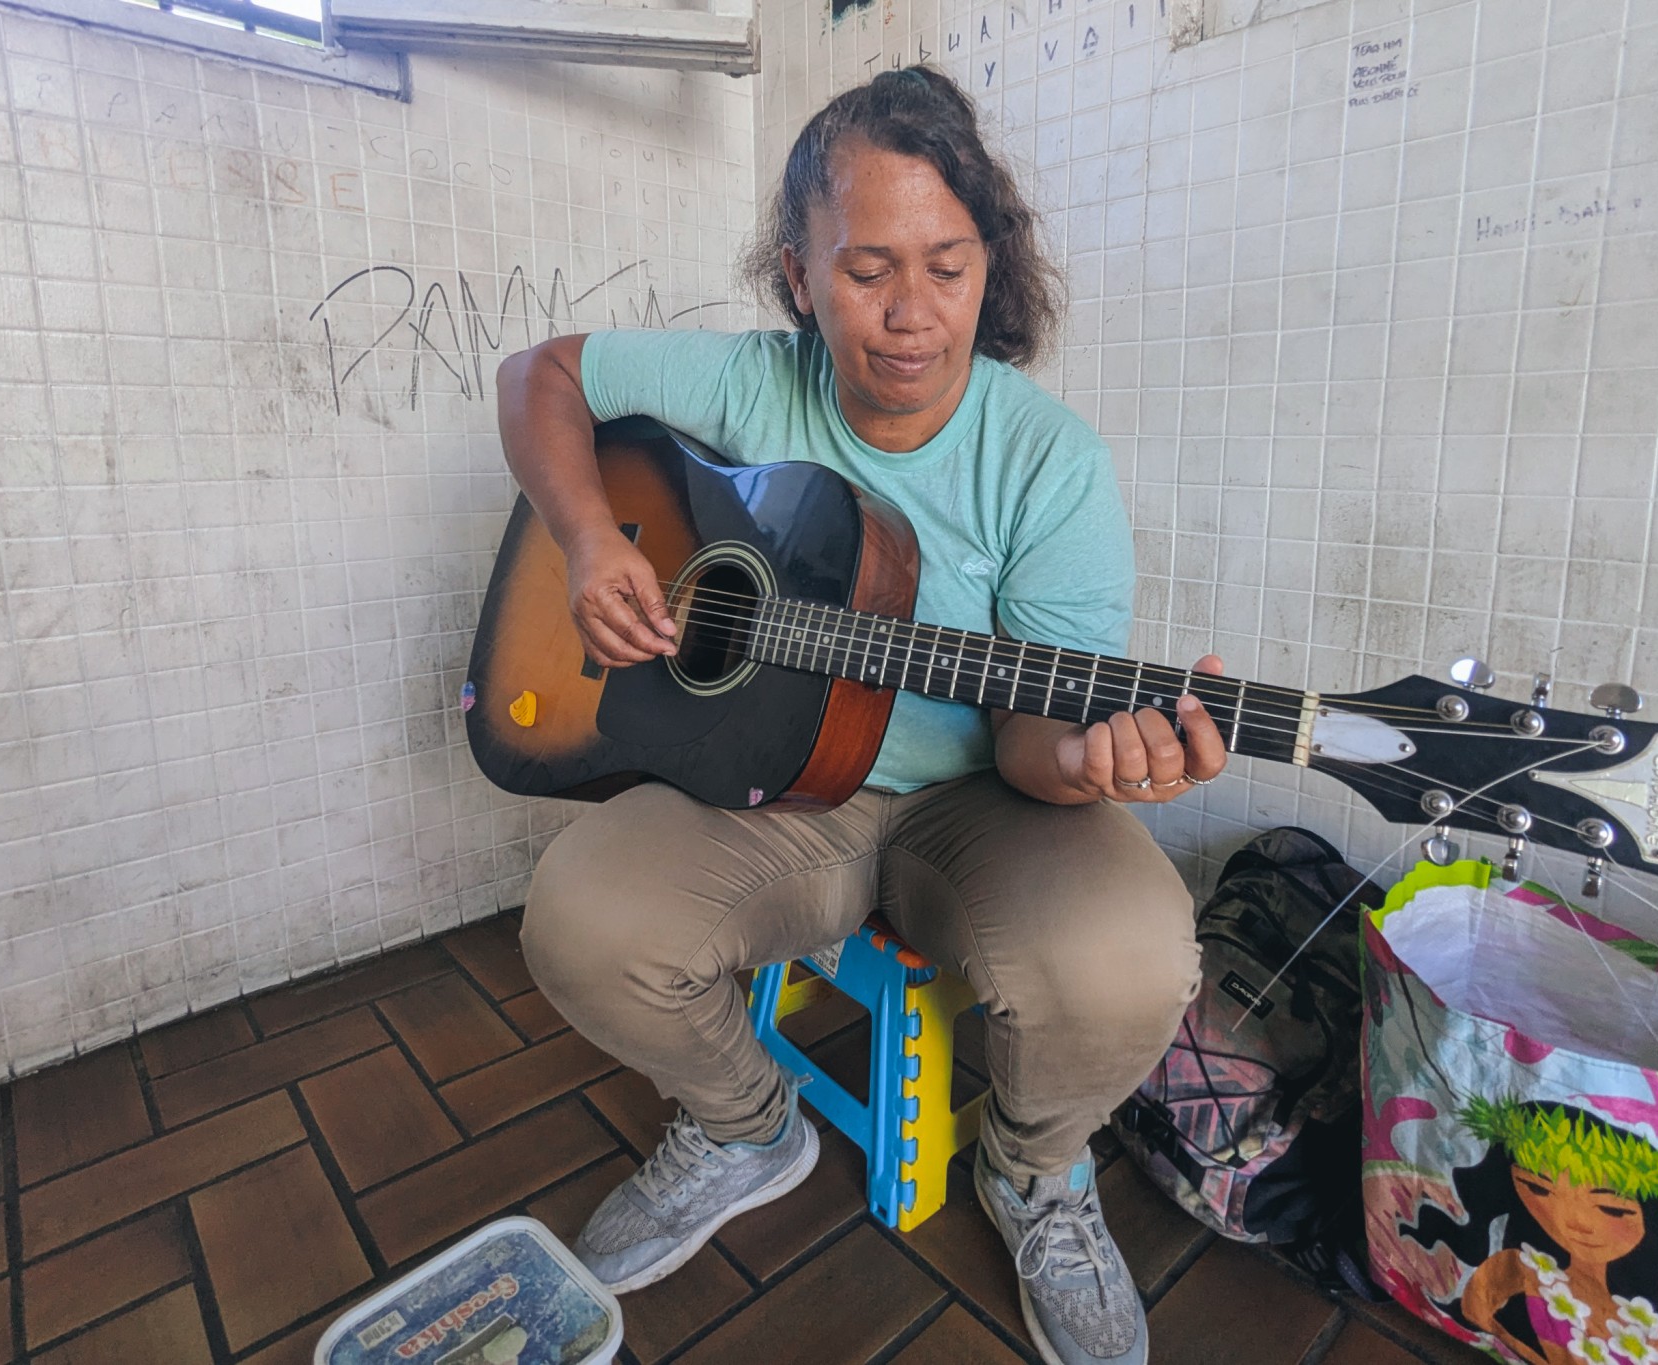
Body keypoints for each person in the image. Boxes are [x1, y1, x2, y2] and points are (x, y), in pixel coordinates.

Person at [495, 66, 1221, 1365]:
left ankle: (1036, 1174)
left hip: (986, 799)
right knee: (582, 911)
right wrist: (592, 534)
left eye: (945, 267)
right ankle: (743, 1124)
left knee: (1130, 948)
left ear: (991, 266)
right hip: (776, 802)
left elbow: (1027, 738)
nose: (908, 316)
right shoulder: (752, 385)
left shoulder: (1044, 460)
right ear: (798, 270)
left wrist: (1098, 760)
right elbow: (539, 373)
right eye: (866, 269)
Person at [1400, 1098, 1658, 1365]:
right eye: (1537, 1189)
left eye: (1611, 1209)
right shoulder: (1520, 1269)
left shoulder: (1649, 1329)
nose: (1574, 1222)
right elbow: (1479, 1314)